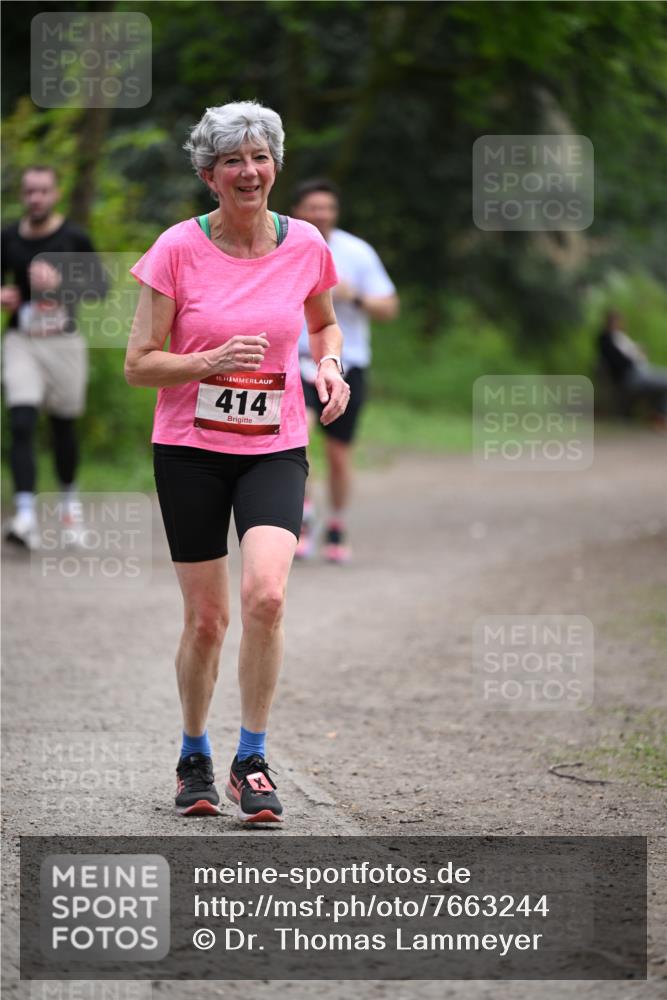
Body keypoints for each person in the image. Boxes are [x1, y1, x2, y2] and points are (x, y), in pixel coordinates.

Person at [124, 102, 349, 824]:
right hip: (189, 450)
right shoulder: (175, 250)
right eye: (231, 161)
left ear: (273, 166)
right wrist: (208, 360)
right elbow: (139, 365)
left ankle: (251, 760)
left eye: (258, 157)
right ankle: (194, 753)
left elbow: (322, 321)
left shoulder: (306, 243)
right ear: (208, 175)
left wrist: (332, 366)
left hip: (274, 448)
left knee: (267, 597)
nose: (248, 171)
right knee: (208, 621)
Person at [291, 179, 399, 563]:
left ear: (336, 212)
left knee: (338, 454)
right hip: (295, 361)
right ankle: (302, 516)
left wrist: (352, 295)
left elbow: (389, 309)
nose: (319, 214)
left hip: (346, 363)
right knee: (297, 436)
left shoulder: (356, 252)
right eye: (312, 207)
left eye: (327, 208)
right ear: (298, 210)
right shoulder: (283, 247)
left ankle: (337, 522)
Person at [1, 165, 107, 549]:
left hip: (63, 341)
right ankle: (25, 514)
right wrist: (5, 295)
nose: (36, 199)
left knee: (63, 426)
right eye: (29, 192)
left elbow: (100, 288)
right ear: (22, 195)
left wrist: (62, 282)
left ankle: (68, 508)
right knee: (23, 420)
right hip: (21, 340)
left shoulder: (73, 237)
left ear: (55, 193)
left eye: (43, 191)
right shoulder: (8, 237)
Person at [597, 309, 667, 426]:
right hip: (630, 375)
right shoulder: (606, 339)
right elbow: (619, 361)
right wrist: (635, 354)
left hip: (640, 370)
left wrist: (637, 352)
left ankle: (658, 415)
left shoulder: (621, 337)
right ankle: (659, 416)